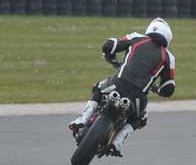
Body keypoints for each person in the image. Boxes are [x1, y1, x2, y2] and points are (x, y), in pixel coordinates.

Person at [68, 18, 176, 156]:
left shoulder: (137, 37)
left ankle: (83, 119)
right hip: (138, 97)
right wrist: (159, 90)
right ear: (168, 36)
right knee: (140, 118)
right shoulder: (169, 57)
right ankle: (118, 142)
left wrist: (109, 54)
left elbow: (110, 45)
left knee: (99, 88)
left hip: (117, 84)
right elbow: (169, 87)